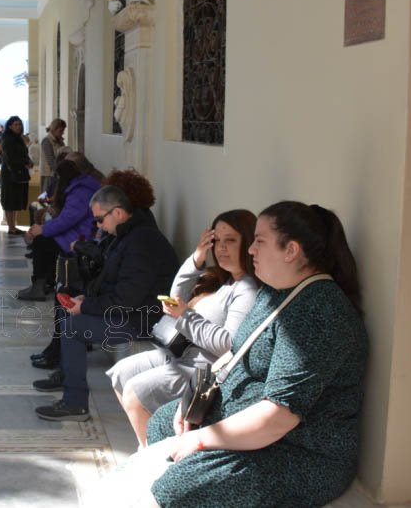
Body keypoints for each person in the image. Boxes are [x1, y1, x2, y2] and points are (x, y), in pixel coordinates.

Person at [144, 201, 366, 508]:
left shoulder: (320, 312)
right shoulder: (274, 291)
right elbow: (234, 355)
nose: (250, 250)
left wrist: (201, 438)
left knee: (179, 486)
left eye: (259, 241)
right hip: (247, 421)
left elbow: (278, 416)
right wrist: (191, 405)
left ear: (291, 251)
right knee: (162, 423)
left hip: (298, 450)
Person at [108, 209, 259, 446]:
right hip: (180, 355)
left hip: (204, 368)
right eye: (216, 241)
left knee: (136, 392)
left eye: (230, 240)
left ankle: (150, 455)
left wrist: (186, 317)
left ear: (248, 243)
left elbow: (228, 344)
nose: (221, 248)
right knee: (121, 373)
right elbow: (176, 295)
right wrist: (198, 257)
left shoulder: (247, 289)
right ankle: (146, 445)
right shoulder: (224, 279)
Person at [34, 185, 178, 422]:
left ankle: (75, 402)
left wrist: (87, 306)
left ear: (118, 213)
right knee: (67, 305)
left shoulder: (141, 242)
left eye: (100, 220)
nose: (98, 226)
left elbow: (126, 299)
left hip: (143, 319)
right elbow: (113, 283)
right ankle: (66, 373)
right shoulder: (127, 235)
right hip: (131, 311)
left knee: (73, 328)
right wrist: (85, 300)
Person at [17, 160, 98, 301]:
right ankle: (45, 282)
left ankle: (39, 286)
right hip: (75, 232)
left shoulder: (80, 192)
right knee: (43, 238)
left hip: (80, 236)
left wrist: (43, 229)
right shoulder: (79, 187)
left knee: (42, 241)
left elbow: (67, 220)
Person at [0, 115, 34, 235]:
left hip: (18, 173)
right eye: (15, 124)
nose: (18, 127)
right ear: (10, 126)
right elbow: (10, 157)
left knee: (15, 201)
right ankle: (11, 227)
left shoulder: (18, 138)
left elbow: (23, 153)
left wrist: (28, 161)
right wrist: (25, 162)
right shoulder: (8, 139)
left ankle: (14, 226)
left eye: (20, 124)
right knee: (9, 201)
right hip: (10, 174)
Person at [40, 118, 67, 196]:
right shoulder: (47, 141)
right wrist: (61, 171)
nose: (62, 133)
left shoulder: (60, 141)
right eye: (60, 131)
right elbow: (51, 160)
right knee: (47, 196)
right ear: (54, 129)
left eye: (63, 131)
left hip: (58, 173)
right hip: (49, 174)